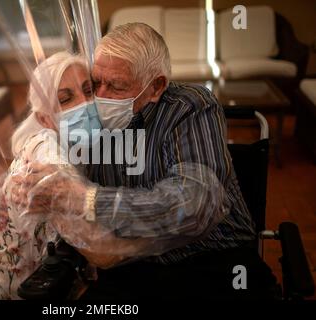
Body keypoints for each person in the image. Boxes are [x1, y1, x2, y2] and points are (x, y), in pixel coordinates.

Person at [18, 23, 278, 299]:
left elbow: (194, 204)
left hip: (213, 260)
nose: (100, 97)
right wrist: (18, 192)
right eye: (96, 83)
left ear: (156, 87)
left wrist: (88, 199)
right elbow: (47, 148)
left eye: (117, 86)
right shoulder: (90, 122)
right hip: (130, 268)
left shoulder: (189, 108)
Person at [0, 51, 102, 299]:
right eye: (66, 99)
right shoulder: (50, 160)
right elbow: (102, 250)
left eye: (88, 90)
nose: (85, 103)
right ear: (45, 118)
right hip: (31, 288)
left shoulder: (68, 140)